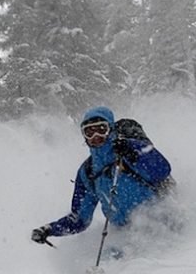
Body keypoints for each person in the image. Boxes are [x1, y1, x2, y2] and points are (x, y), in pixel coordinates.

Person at [31, 106, 175, 247]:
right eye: (89, 132)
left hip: (166, 225)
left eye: (101, 130)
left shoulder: (131, 148)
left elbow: (163, 170)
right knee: (110, 267)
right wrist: (50, 229)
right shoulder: (87, 172)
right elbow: (80, 220)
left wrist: (134, 153)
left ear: (111, 129)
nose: (96, 137)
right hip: (127, 237)